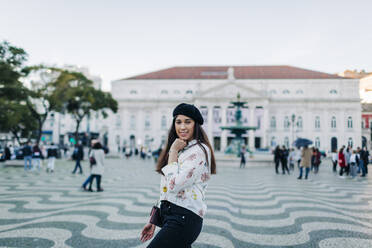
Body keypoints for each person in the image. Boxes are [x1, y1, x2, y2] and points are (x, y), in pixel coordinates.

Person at [140, 103, 217, 247]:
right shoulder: (182, 149)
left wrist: (173, 151)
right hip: (172, 216)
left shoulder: (199, 151)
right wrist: (154, 219)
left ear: (196, 125)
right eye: (178, 122)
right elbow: (165, 188)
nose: (182, 127)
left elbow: (174, 185)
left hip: (185, 218)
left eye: (188, 122)